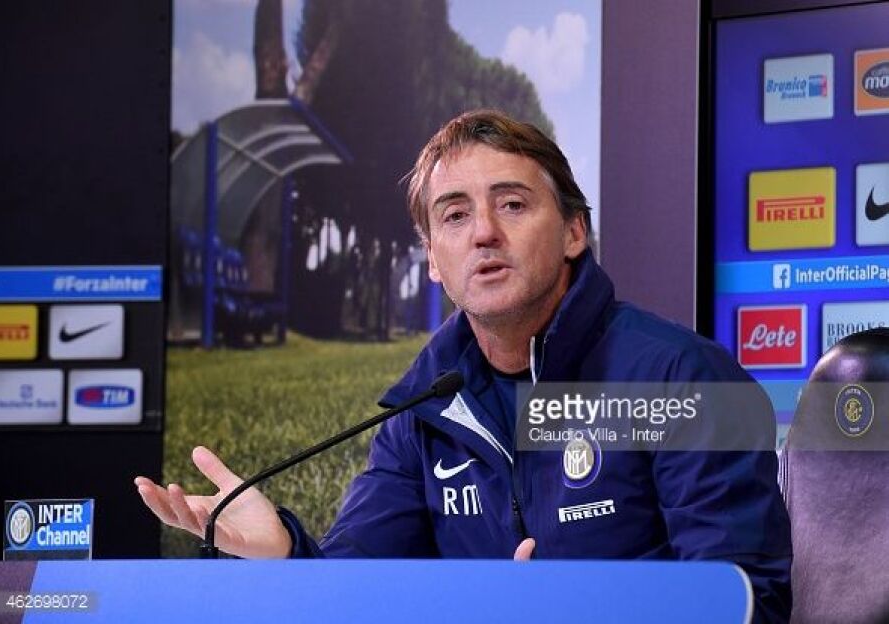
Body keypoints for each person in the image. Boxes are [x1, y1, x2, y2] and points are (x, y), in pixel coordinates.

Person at [136, 110, 792, 621]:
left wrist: (583, 610)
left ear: (574, 232)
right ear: (432, 258)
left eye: (512, 204)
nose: (483, 232)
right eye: (454, 215)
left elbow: (745, 601)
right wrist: (283, 550)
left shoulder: (685, 378)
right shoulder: (424, 407)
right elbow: (354, 594)